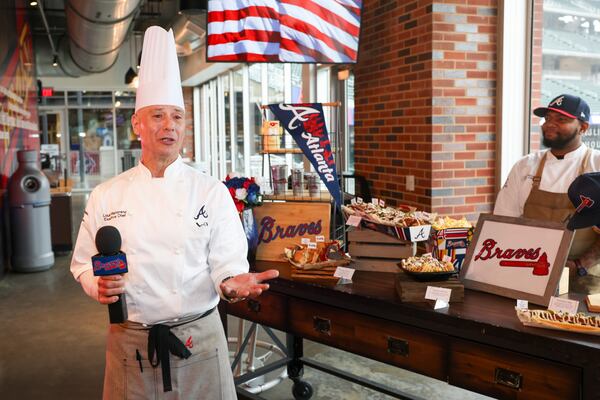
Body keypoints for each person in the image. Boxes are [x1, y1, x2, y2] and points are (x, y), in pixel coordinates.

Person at [70, 26, 278, 399]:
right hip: (129, 341)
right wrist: (96, 284)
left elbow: (227, 261)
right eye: (158, 116)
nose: (170, 126)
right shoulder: (106, 195)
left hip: (199, 337)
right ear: (137, 125)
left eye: (178, 118)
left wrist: (231, 283)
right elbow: (84, 264)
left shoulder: (210, 191)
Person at [494, 93, 600, 293]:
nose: (550, 124)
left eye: (562, 119)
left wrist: (581, 264)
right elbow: (503, 221)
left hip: (586, 279)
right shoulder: (525, 166)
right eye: (548, 118)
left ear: (583, 127)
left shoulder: (597, 166)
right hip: (529, 273)